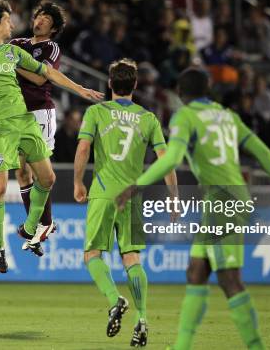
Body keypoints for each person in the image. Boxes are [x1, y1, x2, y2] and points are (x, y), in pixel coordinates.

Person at [116, 68, 270, 350]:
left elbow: (173, 158)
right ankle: (181, 346)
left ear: (180, 91)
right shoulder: (228, 116)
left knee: (229, 279)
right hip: (226, 197)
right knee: (196, 271)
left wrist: (137, 185)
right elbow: (262, 152)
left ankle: (256, 346)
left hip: (223, 199)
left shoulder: (185, 116)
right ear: (207, 89)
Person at [0, 0, 103, 273]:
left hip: (32, 118)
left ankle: (35, 224)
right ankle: (2, 245)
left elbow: (45, 74)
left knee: (46, 177)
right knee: (8, 184)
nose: (16, 22)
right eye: (8, 19)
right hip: (0, 127)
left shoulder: (23, 51)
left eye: (45, 18)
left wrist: (81, 89)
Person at [73, 59, 177, 347]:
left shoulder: (96, 111)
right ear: (135, 85)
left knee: (92, 255)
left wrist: (78, 182)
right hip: (132, 196)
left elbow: (83, 148)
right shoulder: (149, 119)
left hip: (104, 191)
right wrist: (174, 198)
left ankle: (114, 299)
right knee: (132, 258)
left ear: (109, 84)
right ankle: (142, 318)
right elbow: (166, 161)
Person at [10, 2, 66, 240]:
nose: (40, 20)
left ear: (53, 28)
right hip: (16, 115)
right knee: (21, 173)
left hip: (39, 113)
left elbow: (40, 78)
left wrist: (13, 62)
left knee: (40, 173)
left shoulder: (50, 47)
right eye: (38, 15)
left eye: (46, 18)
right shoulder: (17, 44)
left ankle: (44, 222)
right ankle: (40, 224)